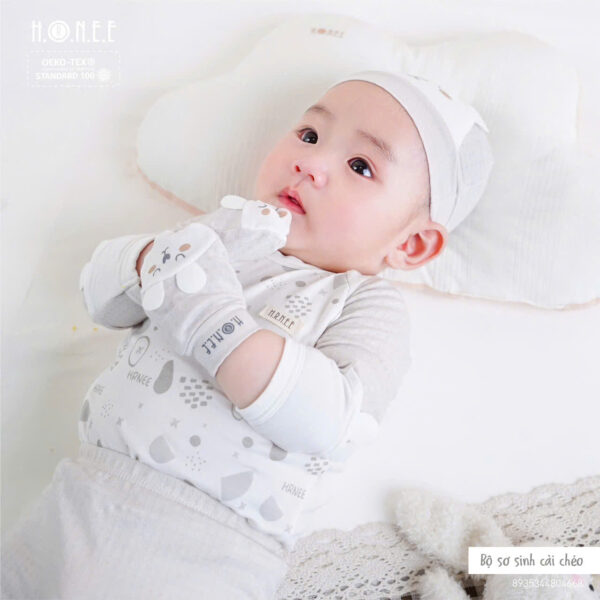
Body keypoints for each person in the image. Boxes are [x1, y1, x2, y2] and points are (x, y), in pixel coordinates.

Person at [1, 70, 494, 600]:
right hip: (77, 497)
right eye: (310, 135)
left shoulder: (364, 303)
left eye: (360, 166)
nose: (310, 163)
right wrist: (150, 258)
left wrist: (214, 323)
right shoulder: (219, 239)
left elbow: (330, 423)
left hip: (206, 546)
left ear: (412, 245)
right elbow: (102, 299)